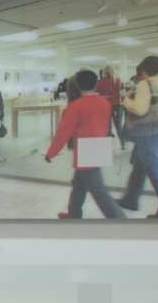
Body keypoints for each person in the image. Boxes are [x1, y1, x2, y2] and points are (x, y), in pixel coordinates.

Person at [114, 52, 158, 219]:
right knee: (139, 167)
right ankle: (130, 200)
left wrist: (125, 100)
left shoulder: (145, 84)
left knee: (157, 173)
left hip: (151, 134)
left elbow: (139, 109)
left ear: (144, 71)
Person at [44, 68, 119, 219]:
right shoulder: (104, 102)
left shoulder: (75, 106)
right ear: (95, 84)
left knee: (98, 190)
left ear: (77, 85)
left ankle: (119, 219)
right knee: (79, 185)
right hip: (100, 145)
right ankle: (73, 214)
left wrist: (51, 153)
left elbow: (63, 133)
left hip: (86, 150)